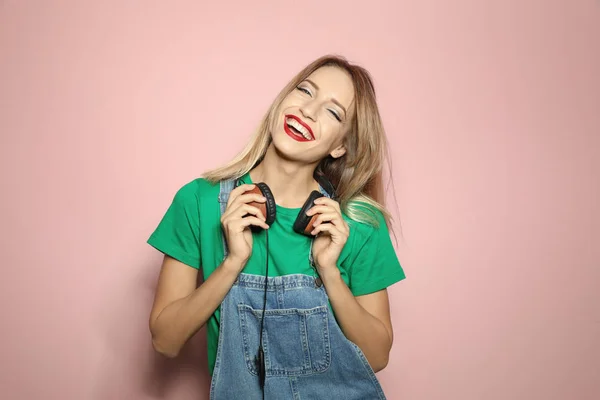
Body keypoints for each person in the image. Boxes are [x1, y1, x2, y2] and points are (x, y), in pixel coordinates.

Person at [147, 54, 406, 399]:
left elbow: (376, 356)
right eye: (305, 91)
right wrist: (232, 264)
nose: (308, 111)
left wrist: (328, 271)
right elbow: (165, 341)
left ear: (341, 145)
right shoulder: (198, 201)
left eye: (333, 112)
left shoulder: (359, 223)